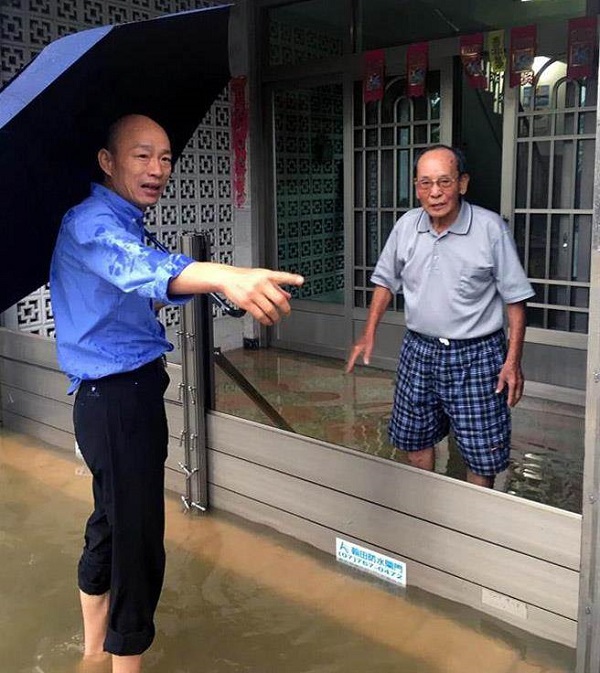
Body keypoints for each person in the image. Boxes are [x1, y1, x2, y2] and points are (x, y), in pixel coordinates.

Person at [49, 114, 304, 673]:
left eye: (165, 157)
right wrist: (222, 275)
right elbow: (140, 268)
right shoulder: (93, 223)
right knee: (138, 542)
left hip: (122, 396)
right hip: (115, 398)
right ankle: (122, 663)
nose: (158, 169)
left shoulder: (126, 223)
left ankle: (91, 654)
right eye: (142, 155)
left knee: (112, 524)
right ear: (107, 161)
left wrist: (224, 286)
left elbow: (152, 281)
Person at [346, 144, 534, 489]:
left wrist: (512, 361)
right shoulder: (406, 226)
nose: (435, 192)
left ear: (462, 183)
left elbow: (516, 299)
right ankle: (425, 508)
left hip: (477, 355)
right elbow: (385, 281)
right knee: (414, 437)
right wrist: (368, 332)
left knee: (482, 451)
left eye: (444, 182)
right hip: (418, 350)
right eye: (425, 183)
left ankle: (473, 515)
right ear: (416, 187)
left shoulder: (490, 228)